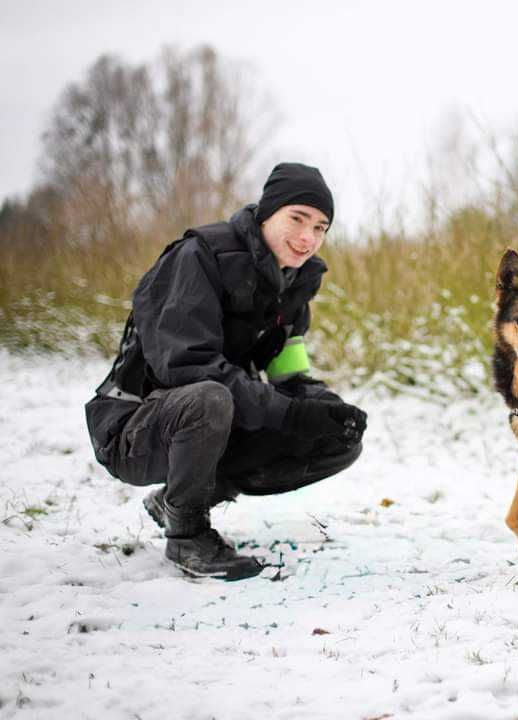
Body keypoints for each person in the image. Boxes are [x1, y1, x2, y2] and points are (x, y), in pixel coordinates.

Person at [85, 162, 366, 581]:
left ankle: (176, 501)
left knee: (332, 437)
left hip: (213, 420)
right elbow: (187, 367)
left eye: (321, 227)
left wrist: (323, 407)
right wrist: (287, 413)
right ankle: (188, 535)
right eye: (297, 219)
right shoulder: (199, 257)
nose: (309, 238)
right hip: (133, 427)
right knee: (209, 397)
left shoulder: (292, 284)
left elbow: (288, 368)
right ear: (267, 212)